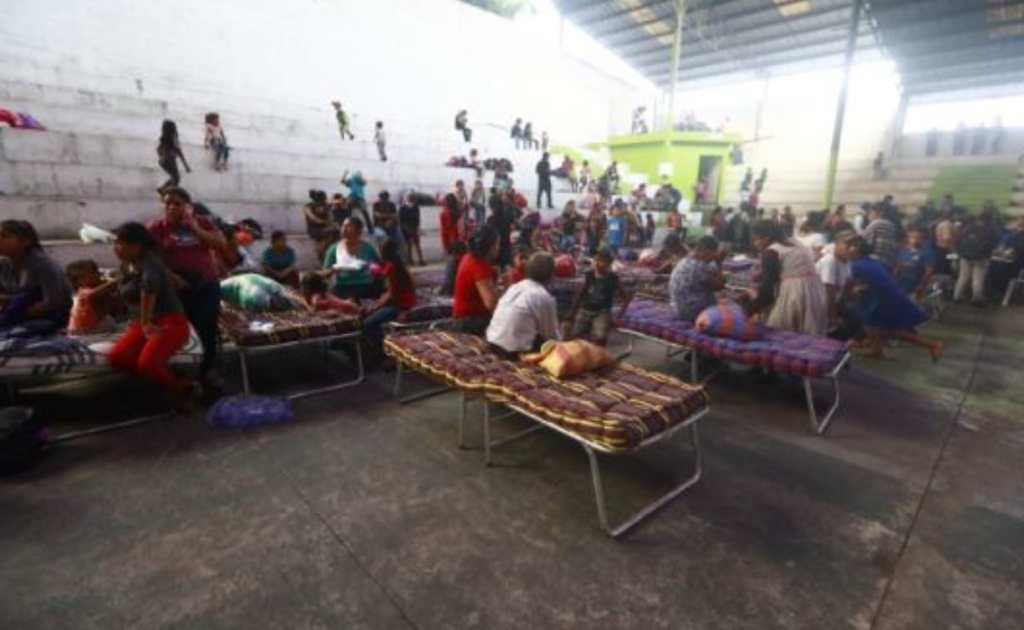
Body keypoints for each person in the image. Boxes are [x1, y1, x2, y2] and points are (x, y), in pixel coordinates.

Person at [108, 222, 197, 400]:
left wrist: (146, 323)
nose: (115, 248)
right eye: (115, 243)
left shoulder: (151, 264)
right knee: (118, 358)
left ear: (136, 246)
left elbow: (148, 290)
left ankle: (183, 390)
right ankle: (157, 385)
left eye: (120, 243)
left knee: (148, 364)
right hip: (142, 322)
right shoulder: (127, 265)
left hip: (169, 322)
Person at [147, 187, 225, 388]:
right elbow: (150, 258)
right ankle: (180, 373)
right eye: (168, 203)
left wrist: (195, 227)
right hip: (176, 290)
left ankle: (207, 370)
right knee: (179, 331)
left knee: (206, 328)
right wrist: (169, 275)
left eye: (177, 203)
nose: (171, 207)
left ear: (188, 206)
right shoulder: (157, 228)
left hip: (206, 285)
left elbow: (220, 244)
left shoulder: (203, 222)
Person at [847, 236, 944, 361]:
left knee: (881, 328)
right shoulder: (871, 261)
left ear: (856, 250)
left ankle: (933, 345)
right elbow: (877, 279)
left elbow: (849, 284)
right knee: (878, 328)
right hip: (890, 295)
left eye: (849, 247)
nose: (847, 249)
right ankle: (876, 349)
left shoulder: (856, 265)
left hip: (884, 299)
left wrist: (855, 290)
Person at [747, 220, 828, 335]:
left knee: (779, 333)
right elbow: (791, 267)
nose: (755, 244)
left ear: (767, 237)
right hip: (814, 292)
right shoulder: (796, 243)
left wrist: (747, 311)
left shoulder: (771, 252)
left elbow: (767, 295)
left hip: (794, 295)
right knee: (808, 333)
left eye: (756, 239)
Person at [0, 220, 73, 332]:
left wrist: (17, 313)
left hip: (50, 318)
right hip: (16, 313)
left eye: (5, 236)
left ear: (26, 241)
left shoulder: (43, 264)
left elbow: (53, 303)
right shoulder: (4, 264)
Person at [486, 252, 560, 356]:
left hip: (492, 341)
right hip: (514, 351)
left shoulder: (514, 287)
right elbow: (551, 336)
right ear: (551, 275)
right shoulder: (543, 297)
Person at [363, 239, 417, 356]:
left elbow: (392, 295)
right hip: (404, 302)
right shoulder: (399, 265)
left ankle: (383, 351)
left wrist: (376, 305)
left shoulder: (391, 268)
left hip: (400, 305)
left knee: (368, 323)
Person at [453, 226, 500, 335]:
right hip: (469, 322)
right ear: (490, 247)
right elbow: (491, 304)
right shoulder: (478, 265)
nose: (498, 248)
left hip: (466, 318)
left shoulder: (469, 257)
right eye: (497, 244)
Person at [323, 217, 382, 300]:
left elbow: (379, 269)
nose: (344, 229)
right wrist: (334, 269)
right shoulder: (334, 249)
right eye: (343, 226)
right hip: (342, 287)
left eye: (348, 226)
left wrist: (370, 267)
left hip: (364, 286)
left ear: (358, 231)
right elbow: (325, 273)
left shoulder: (368, 248)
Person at [668, 236, 724, 322]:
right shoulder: (699, 266)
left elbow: (712, 272)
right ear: (706, 250)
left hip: (678, 309)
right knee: (728, 306)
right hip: (691, 312)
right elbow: (720, 286)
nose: (714, 256)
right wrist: (719, 263)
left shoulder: (684, 261)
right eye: (714, 253)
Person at [954, 210, 1000, 305]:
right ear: (989, 218)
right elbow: (995, 243)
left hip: (965, 256)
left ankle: (957, 296)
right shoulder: (991, 229)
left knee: (963, 277)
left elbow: (960, 240)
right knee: (977, 278)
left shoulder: (969, 227)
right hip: (981, 257)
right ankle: (977, 299)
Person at [64, 259, 118, 335]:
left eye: (96, 271)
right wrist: (117, 280)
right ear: (79, 281)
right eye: (93, 273)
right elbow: (93, 293)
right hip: (81, 330)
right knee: (110, 322)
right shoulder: (83, 292)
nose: (98, 274)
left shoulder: (93, 288)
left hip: (89, 326)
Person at [816, 233, 854, 335]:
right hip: (820, 307)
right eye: (847, 245)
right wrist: (832, 317)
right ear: (837, 244)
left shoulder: (847, 262)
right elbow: (829, 291)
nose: (851, 249)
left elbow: (846, 288)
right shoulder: (830, 261)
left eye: (854, 245)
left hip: (834, 304)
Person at [895, 227, 936, 298]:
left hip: (916, 288)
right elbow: (897, 268)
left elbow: (929, 271)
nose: (915, 239)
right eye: (913, 237)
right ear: (908, 238)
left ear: (922, 239)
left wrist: (921, 285)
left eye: (918, 237)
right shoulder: (903, 251)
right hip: (901, 286)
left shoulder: (926, 253)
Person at [862, 204, 900, 271]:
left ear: (879, 213)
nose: (869, 215)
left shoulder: (874, 224)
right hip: (889, 261)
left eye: (871, 213)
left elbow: (866, 243)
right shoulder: (891, 225)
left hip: (875, 260)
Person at [156, 120, 190, 192]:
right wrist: (186, 165)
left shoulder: (163, 138)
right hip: (170, 160)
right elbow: (179, 151)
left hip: (163, 161)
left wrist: (162, 157)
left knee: (174, 177)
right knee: (176, 178)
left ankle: (162, 189)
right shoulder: (173, 138)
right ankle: (169, 192)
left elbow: (158, 150)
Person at [372, 190, 404, 256]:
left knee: (400, 239)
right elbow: (378, 215)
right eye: (382, 197)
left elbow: (396, 215)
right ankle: (382, 256)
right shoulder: (376, 205)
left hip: (392, 226)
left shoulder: (391, 204)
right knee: (382, 240)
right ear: (380, 197)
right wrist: (389, 216)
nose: (384, 199)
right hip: (379, 227)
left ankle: (398, 256)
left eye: (386, 197)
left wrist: (390, 220)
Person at [399, 192, 425, 266]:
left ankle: (420, 260)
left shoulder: (416, 207)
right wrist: (406, 229)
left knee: (417, 245)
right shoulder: (403, 208)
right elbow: (401, 220)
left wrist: (417, 228)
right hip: (406, 228)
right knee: (409, 245)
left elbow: (418, 219)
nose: (413, 199)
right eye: (411, 197)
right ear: (408, 198)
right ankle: (410, 260)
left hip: (414, 228)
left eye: (413, 198)